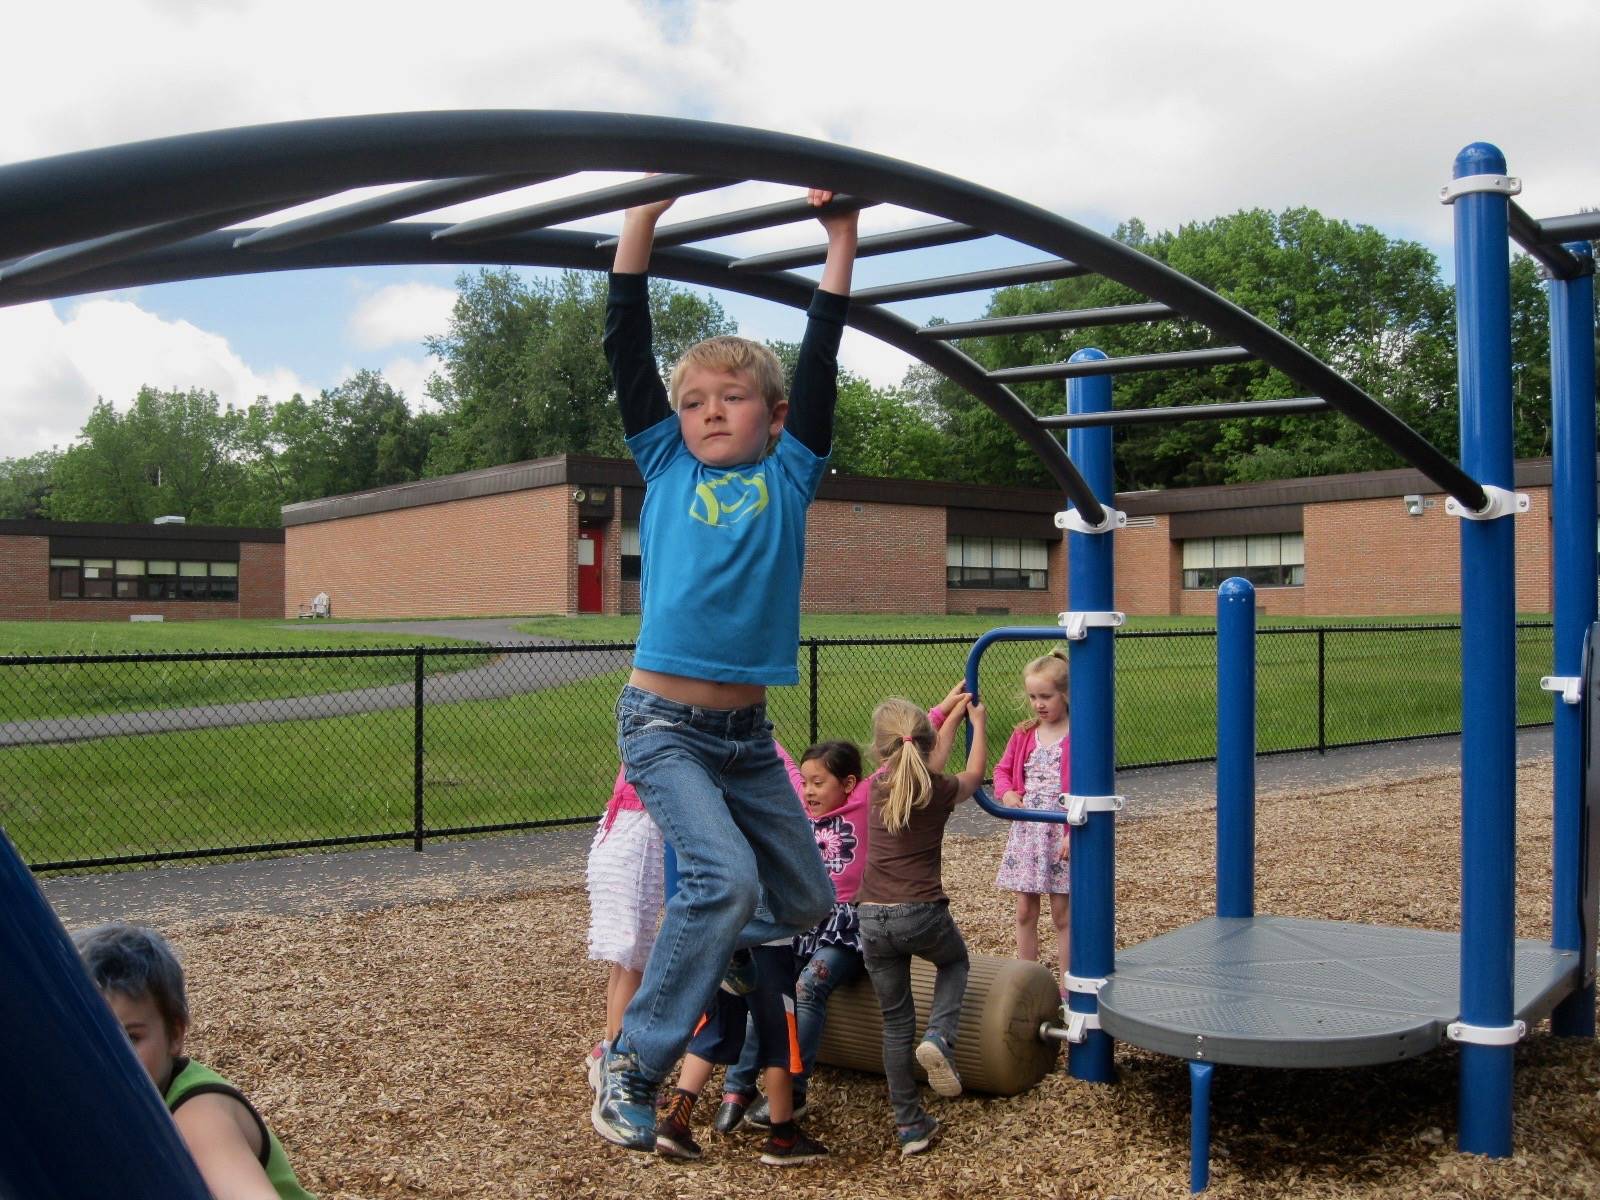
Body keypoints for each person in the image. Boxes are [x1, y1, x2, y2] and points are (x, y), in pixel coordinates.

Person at [591, 182, 859, 1147]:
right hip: (661, 725)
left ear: (775, 418)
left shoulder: (790, 474)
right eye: (694, 401)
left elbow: (823, 355)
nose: (709, 413)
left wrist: (841, 239)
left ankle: (733, 961)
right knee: (720, 880)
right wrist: (642, 222)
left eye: (731, 399)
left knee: (806, 899)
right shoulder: (664, 467)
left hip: (746, 738)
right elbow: (625, 347)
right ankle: (634, 1061)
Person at [73, 922, 316, 1200]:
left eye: (131, 1038)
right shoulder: (116, 1103)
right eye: (91, 1040)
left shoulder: (199, 1113)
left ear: (175, 1034)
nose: (110, 1057)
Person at [856, 692, 987, 1158]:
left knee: (895, 1023)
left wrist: (946, 713)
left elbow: (919, 758)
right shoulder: (938, 790)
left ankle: (910, 1125)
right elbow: (972, 775)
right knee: (955, 964)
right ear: (926, 745)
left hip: (870, 916)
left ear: (879, 750)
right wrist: (978, 724)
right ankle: (940, 1037)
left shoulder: (870, 788)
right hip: (921, 913)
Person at [716, 740, 866, 1132]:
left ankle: (794, 1091)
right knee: (764, 991)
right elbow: (774, 755)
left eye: (820, 783)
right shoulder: (800, 809)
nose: (809, 791)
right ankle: (738, 1085)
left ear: (849, 783)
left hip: (843, 932)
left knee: (808, 988)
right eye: (807, 783)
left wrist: (942, 714)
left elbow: (900, 761)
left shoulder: (864, 804)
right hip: (802, 925)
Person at [653, 941, 826, 1166]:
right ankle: (784, 1137)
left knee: (713, 1029)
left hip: (725, 940)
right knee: (780, 1037)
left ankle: (676, 1121)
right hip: (768, 943)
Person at [993, 650, 1072, 990]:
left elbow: (1087, 782)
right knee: (1025, 910)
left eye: (1046, 696)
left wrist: (1073, 831)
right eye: (1033, 697)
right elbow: (1001, 771)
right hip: (1028, 830)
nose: (1038, 704)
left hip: (1061, 833)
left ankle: (1071, 989)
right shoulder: (1025, 733)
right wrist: (1008, 793)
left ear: (1066, 694)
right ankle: (1029, 985)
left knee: (1062, 915)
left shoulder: (1078, 735)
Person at [583, 764, 665, 1088]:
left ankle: (608, 1046)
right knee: (633, 960)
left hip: (618, 843)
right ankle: (619, 1066)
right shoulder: (659, 750)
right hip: (633, 850)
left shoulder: (642, 744)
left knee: (626, 959)